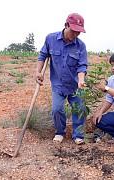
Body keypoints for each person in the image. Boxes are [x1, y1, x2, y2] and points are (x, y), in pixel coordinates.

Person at [36, 13, 88, 145]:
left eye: (78, 32)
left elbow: (82, 66)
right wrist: (38, 72)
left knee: (79, 109)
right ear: (66, 25)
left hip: (75, 85)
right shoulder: (51, 39)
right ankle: (60, 132)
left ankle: (78, 135)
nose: (76, 35)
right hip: (58, 84)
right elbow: (43, 56)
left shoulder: (80, 46)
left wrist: (81, 80)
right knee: (57, 109)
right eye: (74, 31)